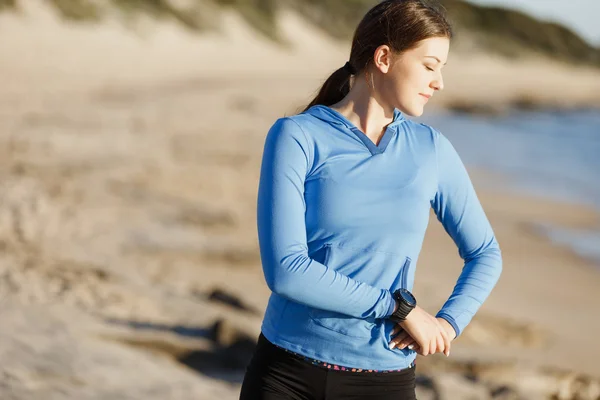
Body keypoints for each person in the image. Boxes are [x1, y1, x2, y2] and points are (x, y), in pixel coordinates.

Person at [240, 0, 502, 398]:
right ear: (384, 57)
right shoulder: (297, 136)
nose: (439, 83)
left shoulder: (432, 150)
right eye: (430, 66)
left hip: (385, 382)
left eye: (442, 70)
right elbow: (286, 270)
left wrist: (448, 324)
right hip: (287, 373)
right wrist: (400, 309)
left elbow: (485, 252)